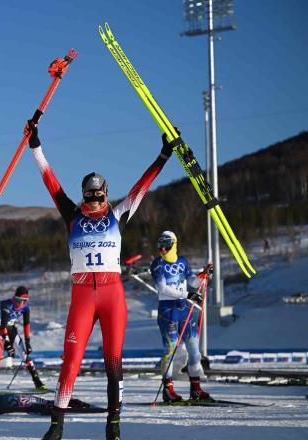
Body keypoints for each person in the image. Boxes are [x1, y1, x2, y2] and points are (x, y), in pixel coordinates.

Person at [28, 120, 173, 440]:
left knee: (113, 362)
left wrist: (163, 156)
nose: (94, 199)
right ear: (83, 195)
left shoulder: (118, 213)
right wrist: (35, 146)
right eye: (89, 194)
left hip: (111, 295)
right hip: (82, 294)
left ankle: (114, 425)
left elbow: (141, 187)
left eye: (99, 193)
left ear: (106, 193)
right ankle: (56, 425)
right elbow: (50, 182)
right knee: (71, 361)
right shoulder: (72, 214)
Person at [151, 231, 212, 402]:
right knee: (169, 351)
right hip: (167, 312)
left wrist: (203, 274)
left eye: (166, 246)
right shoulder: (158, 264)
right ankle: (168, 390)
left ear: (174, 245)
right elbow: (163, 288)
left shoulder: (182, 261)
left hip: (184, 310)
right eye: (160, 246)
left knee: (194, 351)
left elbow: (192, 282)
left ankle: (196, 388)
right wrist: (187, 294)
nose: (162, 249)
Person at [0, 286, 46, 392]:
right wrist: (8, 345)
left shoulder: (26, 308)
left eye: (23, 301)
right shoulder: (6, 304)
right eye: (18, 300)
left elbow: (26, 324)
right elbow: (3, 325)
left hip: (11, 329)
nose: (20, 303)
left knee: (25, 356)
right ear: (14, 298)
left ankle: (38, 383)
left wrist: (27, 342)